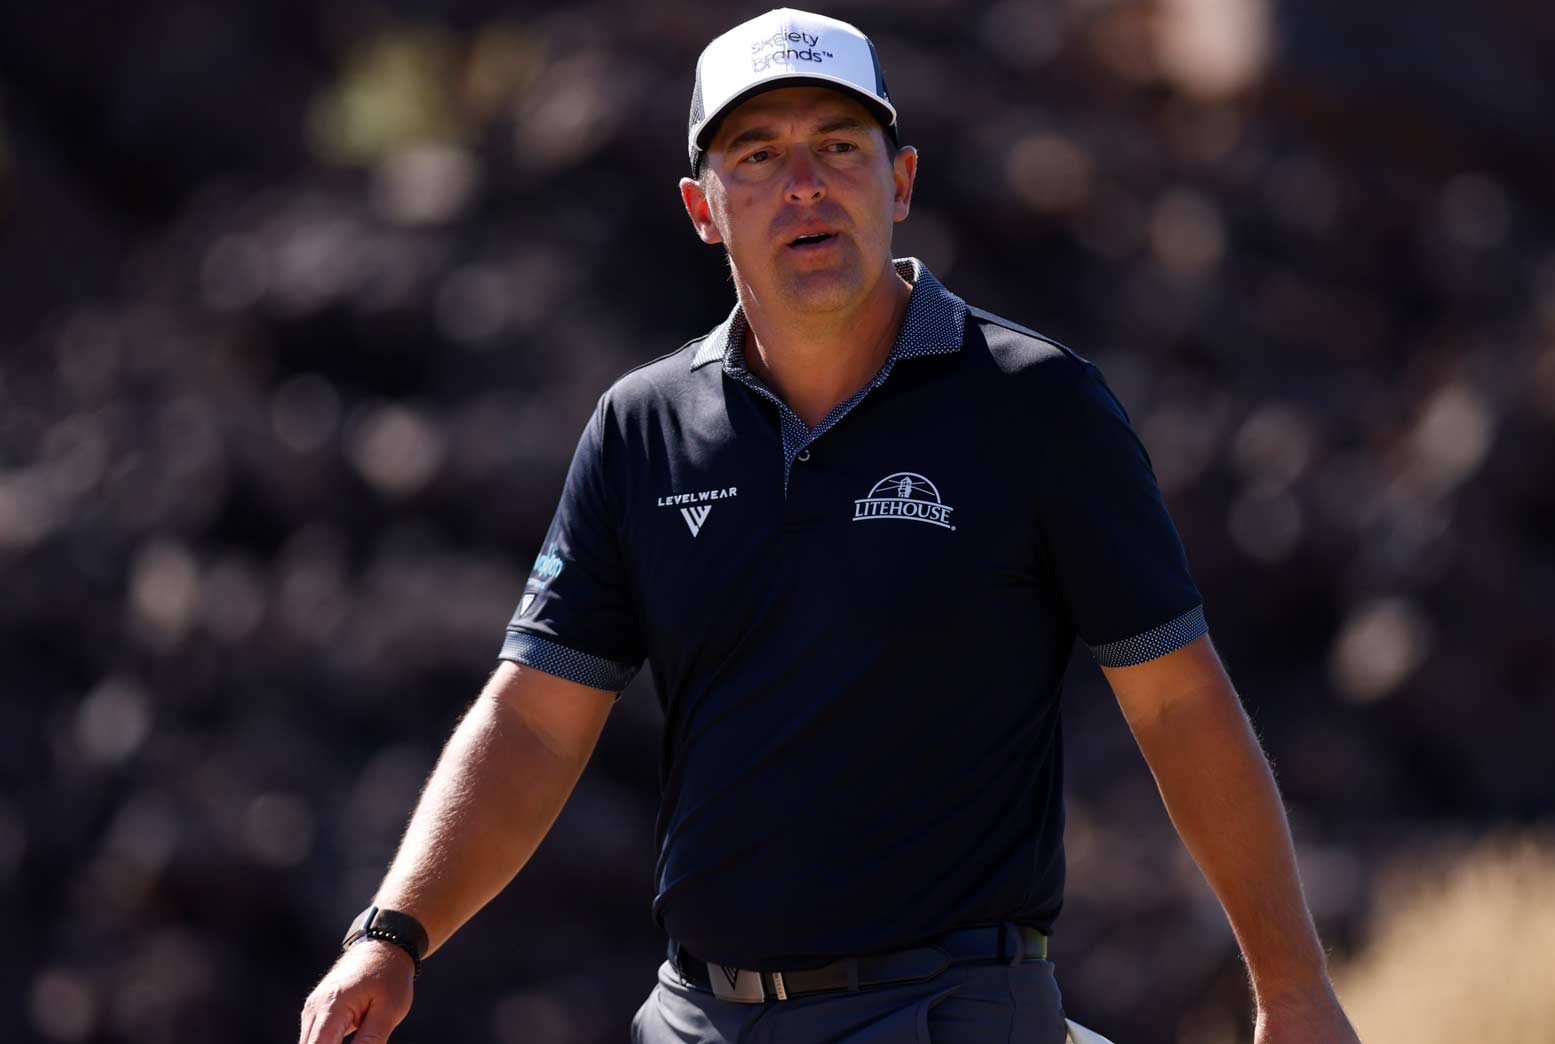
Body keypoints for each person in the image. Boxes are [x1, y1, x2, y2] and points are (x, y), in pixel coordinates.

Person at [297, 9, 1360, 1044]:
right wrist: (391, 935)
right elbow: (532, 720)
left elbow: (1177, 702)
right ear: (702, 207)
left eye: (838, 145)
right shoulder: (641, 430)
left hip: (949, 1013)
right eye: (756, 154)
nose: (803, 183)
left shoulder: (1038, 406)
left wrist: (1292, 992)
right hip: (694, 1017)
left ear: (898, 180)